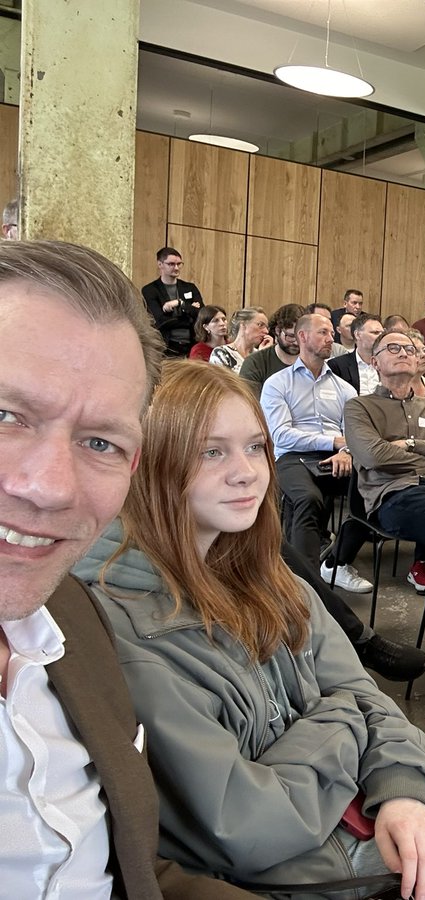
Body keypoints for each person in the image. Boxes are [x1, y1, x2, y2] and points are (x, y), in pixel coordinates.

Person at [73, 361, 425, 900]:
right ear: (153, 465)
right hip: (307, 860)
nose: (248, 472)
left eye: (254, 447)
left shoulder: (266, 579)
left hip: (364, 800)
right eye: (211, 453)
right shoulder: (124, 626)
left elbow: (364, 695)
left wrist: (398, 785)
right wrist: (344, 722)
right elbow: (248, 822)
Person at [0, 239, 253, 899]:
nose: (51, 487)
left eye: (99, 442)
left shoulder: (71, 618)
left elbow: (134, 871)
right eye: (5, 415)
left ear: (132, 467)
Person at [261, 314, 372, 592]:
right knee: (308, 499)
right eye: (323, 332)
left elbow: (355, 434)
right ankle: (304, 586)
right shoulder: (278, 383)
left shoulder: (344, 388)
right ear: (302, 337)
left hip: (338, 457)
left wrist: (346, 450)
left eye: (330, 333)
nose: (330, 338)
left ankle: (336, 563)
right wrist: (333, 442)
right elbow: (281, 435)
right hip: (293, 458)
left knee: (374, 492)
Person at [344, 329, 425, 594]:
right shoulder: (359, 407)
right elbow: (373, 455)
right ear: (375, 362)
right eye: (393, 348)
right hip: (395, 494)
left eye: (409, 349)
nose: (404, 354)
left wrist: (412, 444)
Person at [141, 246, 203, 358]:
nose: (176, 268)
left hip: (191, 346)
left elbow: (202, 315)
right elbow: (160, 321)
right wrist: (188, 315)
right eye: (171, 264)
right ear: (160, 264)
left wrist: (180, 303)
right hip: (166, 348)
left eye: (179, 264)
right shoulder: (150, 290)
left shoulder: (190, 287)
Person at [240, 303, 303, 398]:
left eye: (301, 337)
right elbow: (249, 404)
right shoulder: (256, 363)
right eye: (290, 336)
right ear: (277, 330)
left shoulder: (312, 363)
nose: (296, 343)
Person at [329, 313, 386, 395]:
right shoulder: (338, 365)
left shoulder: (388, 364)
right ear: (358, 335)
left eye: (382, 333)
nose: (381, 337)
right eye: (375, 333)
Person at [211, 306, 272, 374]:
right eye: (260, 325)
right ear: (243, 325)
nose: (266, 331)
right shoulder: (221, 353)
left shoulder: (260, 354)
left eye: (267, 327)